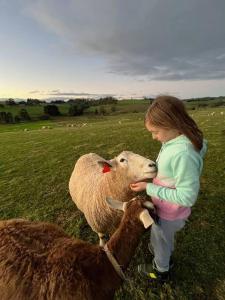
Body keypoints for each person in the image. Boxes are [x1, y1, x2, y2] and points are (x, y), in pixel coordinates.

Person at [130, 95, 207, 282]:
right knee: (162, 237)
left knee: (161, 238)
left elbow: (187, 197)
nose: (153, 137)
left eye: (155, 131)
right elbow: (171, 173)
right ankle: (163, 248)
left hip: (168, 212)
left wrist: (150, 188)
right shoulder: (175, 142)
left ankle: (161, 269)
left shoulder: (183, 153)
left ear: (171, 123)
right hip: (167, 207)